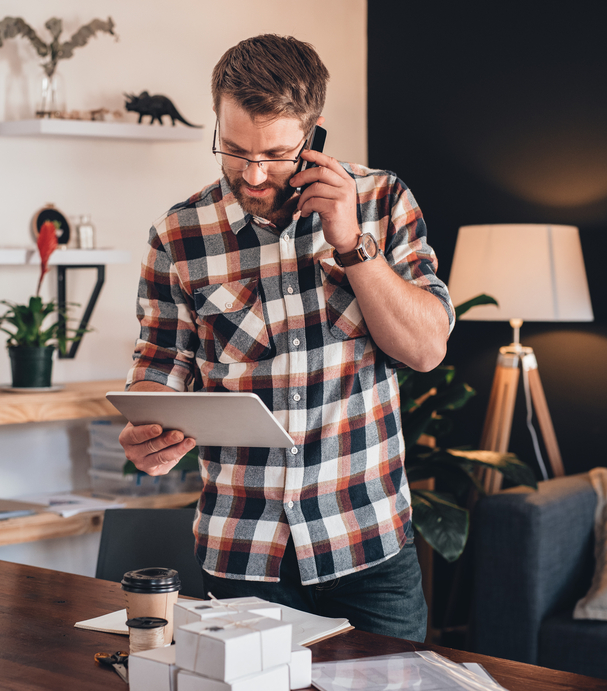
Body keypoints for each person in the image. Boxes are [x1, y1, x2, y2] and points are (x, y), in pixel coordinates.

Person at [119, 34, 454, 642]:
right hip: (244, 555)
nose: (252, 173)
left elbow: (427, 348)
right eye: (234, 149)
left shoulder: (382, 200)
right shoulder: (178, 233)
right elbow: (160, 361)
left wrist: (353, 243)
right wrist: (149, 427)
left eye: (274, 154)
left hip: (368, 548)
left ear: (314, 133)